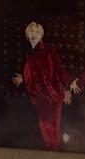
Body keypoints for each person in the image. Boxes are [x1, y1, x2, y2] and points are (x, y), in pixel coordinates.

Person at [11, 21, 71, 151]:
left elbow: (59, 68)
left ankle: (54, 149)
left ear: (41, 35)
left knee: (54, 122)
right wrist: (24, 78)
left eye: (38, 32)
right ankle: (49, 148)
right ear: (27, 34)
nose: (35, 33)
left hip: (55, 91)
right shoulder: (29, 54)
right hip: (40, 93)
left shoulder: (50, 49)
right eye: (32, 31)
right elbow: (31, 72)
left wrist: (68, 87)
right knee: (44, 121)